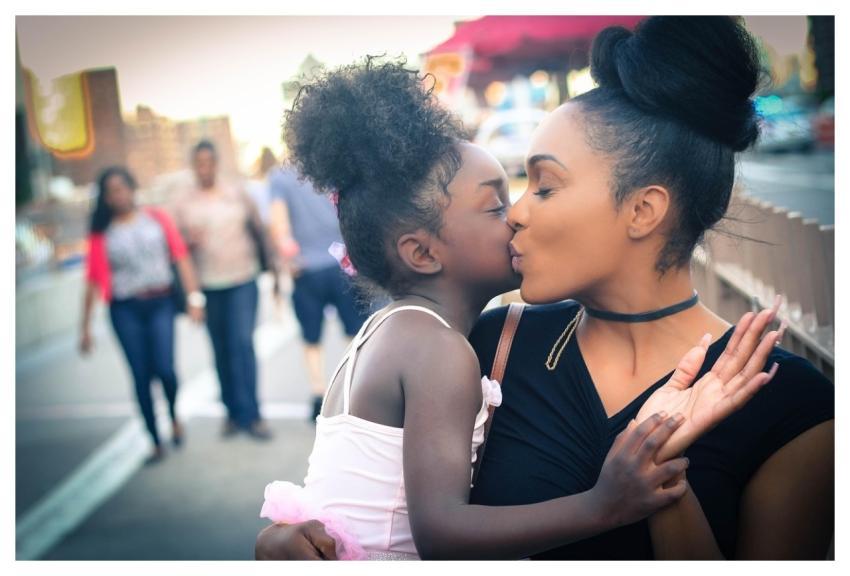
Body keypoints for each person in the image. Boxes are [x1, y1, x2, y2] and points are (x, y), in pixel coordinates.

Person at [258, 17, 833, 560]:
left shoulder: (792, 405)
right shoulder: (493, 346)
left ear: (643, 210)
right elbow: (375, 493)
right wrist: (288, 541)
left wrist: (662, 471)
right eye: (510, 193)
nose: (516, 214)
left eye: (544, 186)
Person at [80, 166, 205, 464]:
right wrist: (84, 328)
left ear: (132, 189)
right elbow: (92, 281)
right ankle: (154, 440)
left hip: (160, 303)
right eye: (111, 192)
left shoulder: (156, 218)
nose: (118, 196)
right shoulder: (101, 234)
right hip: (125, 310)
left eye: (122, 188)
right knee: (140, 375)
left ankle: (174, 415)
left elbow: (181, 256)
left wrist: (194, 298)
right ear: (105, 198)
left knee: (165, 369)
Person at [170, 140, 279, 440]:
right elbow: (176, 248)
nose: (204, 168)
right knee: (221, 350)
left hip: (242, 279)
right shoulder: (183, 202)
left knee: (242, 344)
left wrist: (274, 269)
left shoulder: (236, 192)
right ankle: (231, 413)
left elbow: (260, 229)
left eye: (209, 162)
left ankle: (253, 415)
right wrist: (188, 243)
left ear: (216, 164)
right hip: (208, 285)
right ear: (193, 166)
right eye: (199, 163)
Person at [267, 164, 370, 421]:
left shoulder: (280, 178)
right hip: (342, 262)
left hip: (306, 269)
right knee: (354, 333)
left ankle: (318, 393)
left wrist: (289, 257)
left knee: (311, 339)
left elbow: (279, 226)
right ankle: (353, 391)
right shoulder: (331, 166)